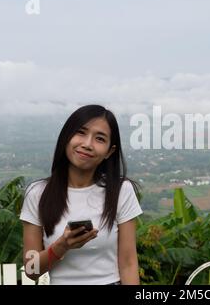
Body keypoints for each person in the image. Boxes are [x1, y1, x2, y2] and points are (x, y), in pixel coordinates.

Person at [20, 104, 143, 285]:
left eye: (99, 139)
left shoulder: (120, 190)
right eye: (81, 133)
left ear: (110, 151)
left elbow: (128, 264)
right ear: (66, 137)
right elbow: (31, 271)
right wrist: (62, 246)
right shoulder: (37, 193)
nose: (87, 144)